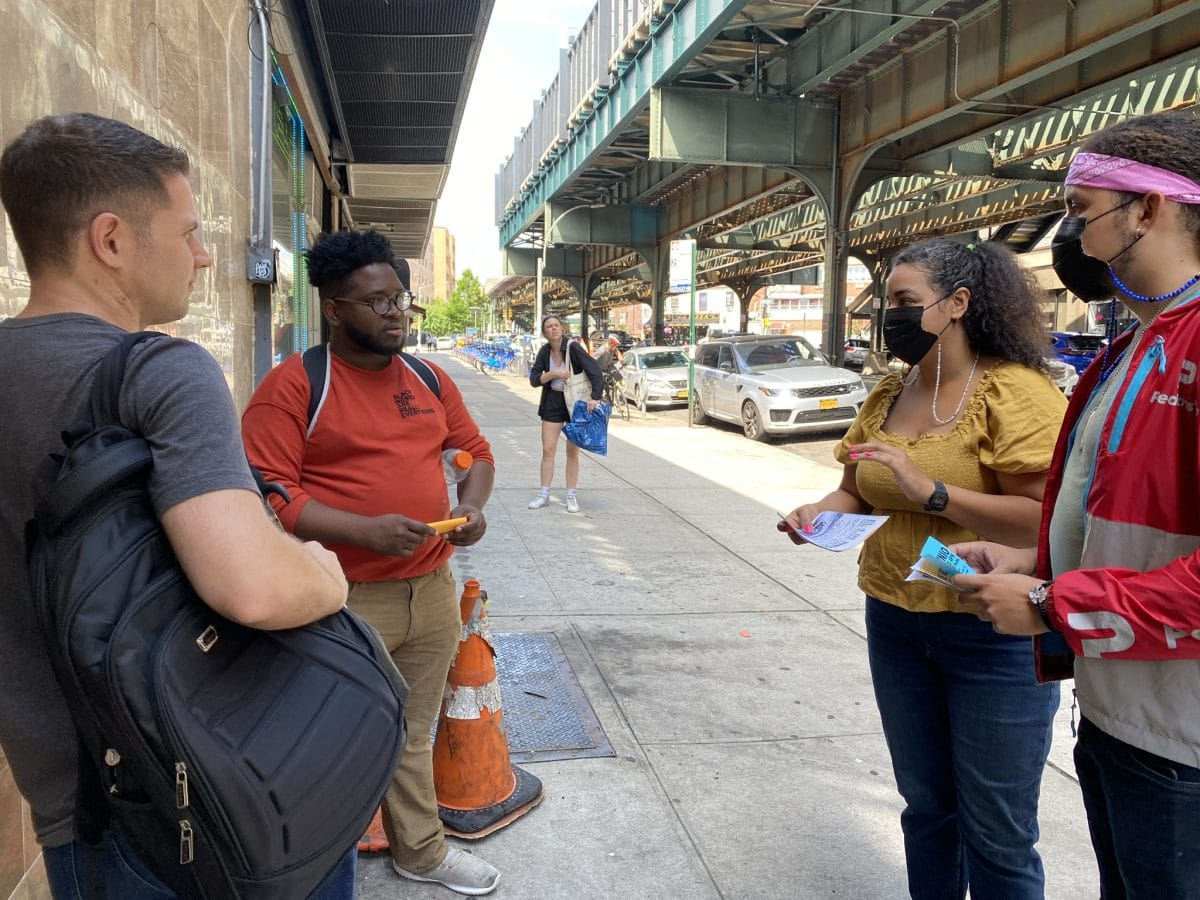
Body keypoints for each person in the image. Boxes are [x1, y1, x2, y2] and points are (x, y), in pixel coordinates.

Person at [0, 114, 351, 897]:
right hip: (210, 801)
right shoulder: (160, 371)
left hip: (73, 807)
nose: (202, 256)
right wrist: (324, 574)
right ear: (111, 240)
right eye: (189, 232)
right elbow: (254, 587)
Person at [953, 110, 1200, 898]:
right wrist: (1039, 561)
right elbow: (1133, 522)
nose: (1073, 237)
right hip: (1120, 716)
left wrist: (1054, 605)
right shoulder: (1133, 348)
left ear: (1148, 209)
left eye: (1082, 211)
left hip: (1181, 743)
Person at [785, 238, 1068, 898]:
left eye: (905, 300)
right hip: (895, 622)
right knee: (927, 809)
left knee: (997, 832)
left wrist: (934, 492)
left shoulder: (1014, 392)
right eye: (888, 302)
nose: (890, 315)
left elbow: (1047, 519)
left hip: (991, 631)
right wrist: (817, 513)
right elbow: (856, 489)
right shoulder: (891, 391)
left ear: (958, 303)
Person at [240, 229, 500, 897]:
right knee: (330, 741)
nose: (396, 313)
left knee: (410, 734)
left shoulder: (428, 378)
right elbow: (272, 495)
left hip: (431, 591)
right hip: (341, 598)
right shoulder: (295, 386)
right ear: (334, 309)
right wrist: (364, 532)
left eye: (400, 299)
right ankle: (311, 871)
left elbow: (474, 454)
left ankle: (422, 853)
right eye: (377, 301)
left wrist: (471, 507)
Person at [528, 314, 603, 513]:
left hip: (574, 404)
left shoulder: (573, 347)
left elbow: (595, 370)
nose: (553, 328)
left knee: (572, 452)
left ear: (562, 328)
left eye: (556, 325)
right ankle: (544, 494)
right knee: (548, 450)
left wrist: (595, 396)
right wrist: (554, 373)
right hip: (552, 402)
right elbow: (534, 379)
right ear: (544, 333)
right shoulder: (544, 352)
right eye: (549, 326)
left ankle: (571, 496)